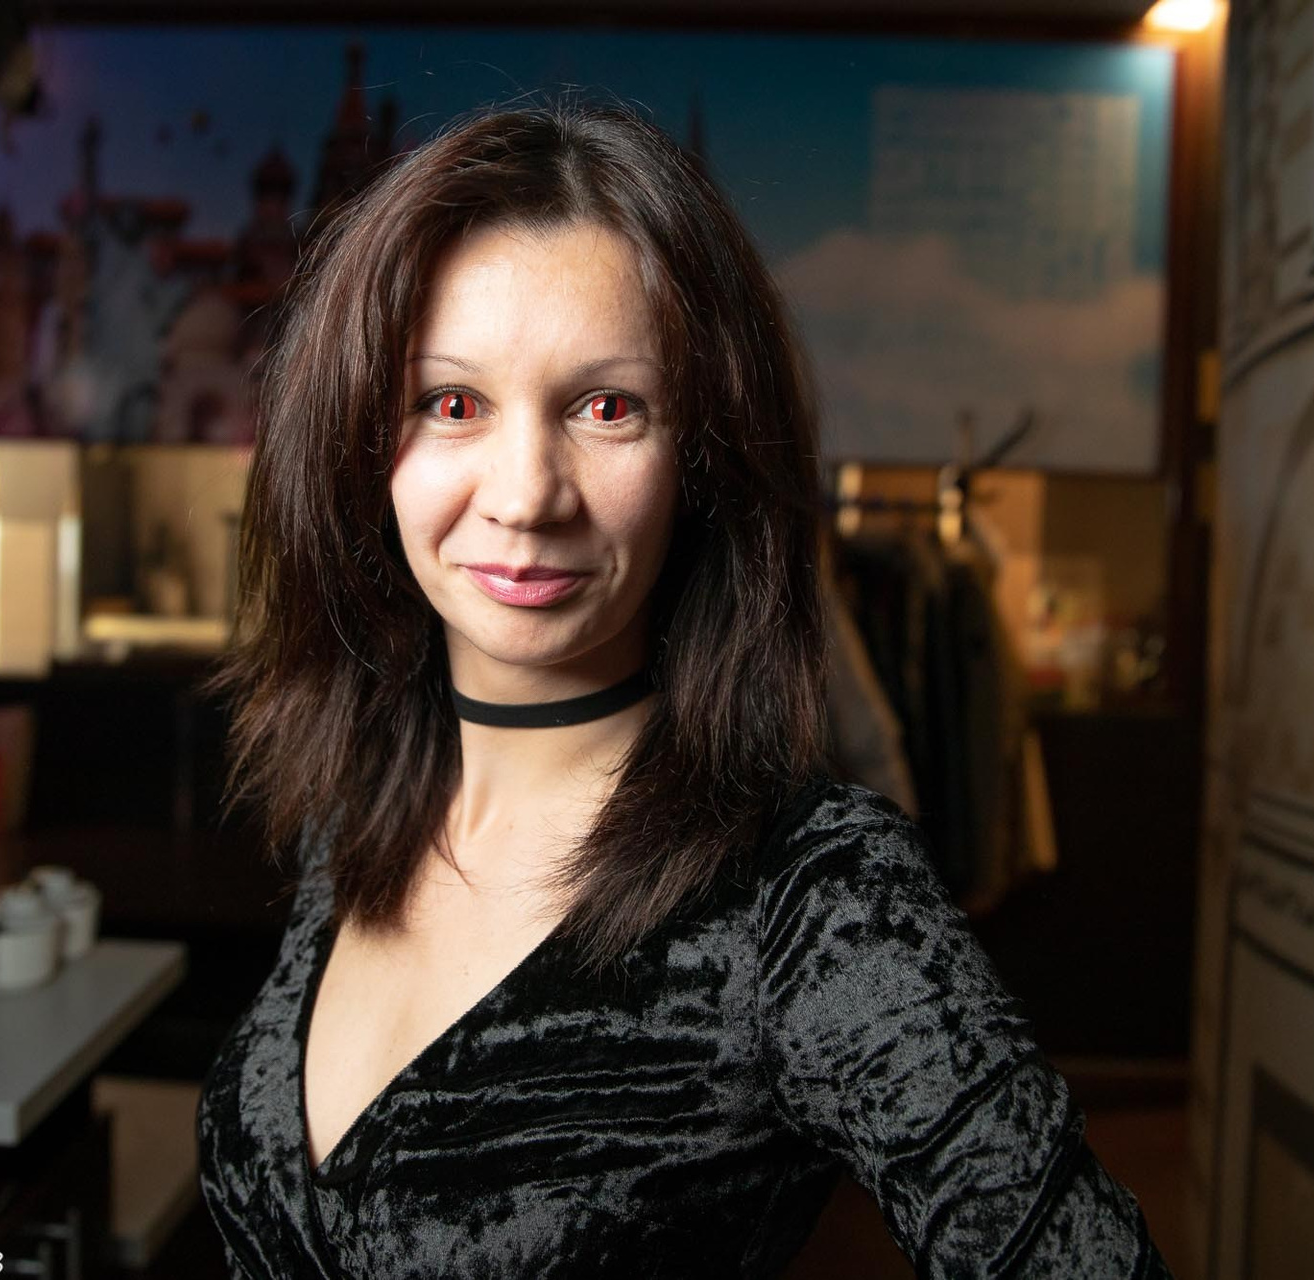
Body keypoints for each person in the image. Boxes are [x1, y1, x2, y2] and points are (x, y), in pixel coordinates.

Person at [196, 96, 1171, 1278]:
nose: (526, 493)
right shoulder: (357, 815)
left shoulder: (807, 895)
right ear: (360, 444)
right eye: (452, 403)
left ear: (703, 455)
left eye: (607, 407)